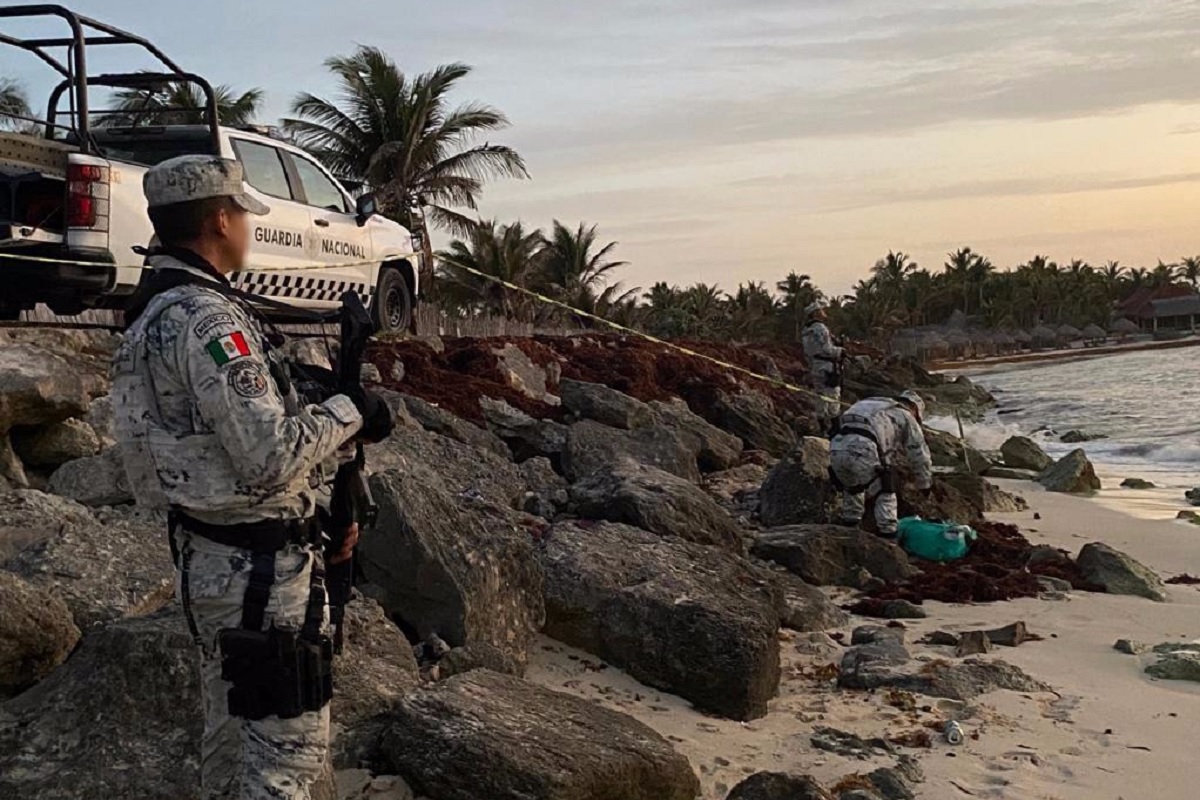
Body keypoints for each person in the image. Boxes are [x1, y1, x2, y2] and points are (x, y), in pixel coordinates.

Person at [110, 155, 394, 800]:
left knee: (232, 740)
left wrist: (311, 516)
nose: (247, 226)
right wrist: (355, 411)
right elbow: (267, 454)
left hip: (209, 553)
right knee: (283, 759)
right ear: (218, 219)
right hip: (257, 581)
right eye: (242, 214)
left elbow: (202, 446)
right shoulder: (209, 320)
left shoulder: (154, 311)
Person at [829, 390, 932, 538]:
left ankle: (849, 532)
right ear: (914, 409)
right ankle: (889, 539)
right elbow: (919, 454)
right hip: (864, 449)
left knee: (853, 489)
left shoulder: (868, 404)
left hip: (836, 449)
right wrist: (924, 484)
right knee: (885, 489)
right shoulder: (905, 415)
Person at [801, 298, 844, 434]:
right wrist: (841, 351)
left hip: (815, 365)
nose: (823, 311)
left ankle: (822, 427)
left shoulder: (806, 330)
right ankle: (835, 427)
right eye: (821, 310)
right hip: (827, 366)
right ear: (815, 313)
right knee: (833, 395)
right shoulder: (820, 328)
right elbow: (826, 349)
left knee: (819, 396)